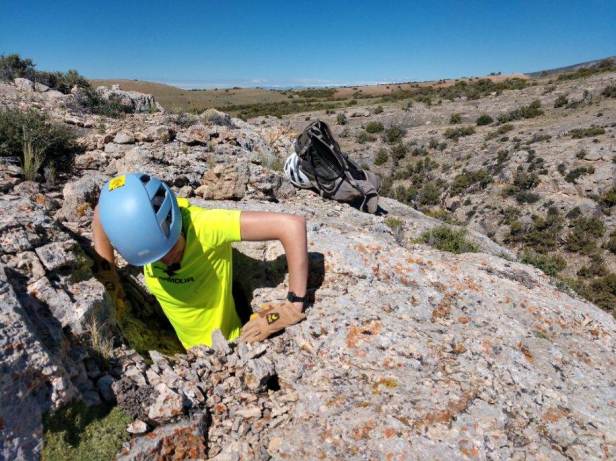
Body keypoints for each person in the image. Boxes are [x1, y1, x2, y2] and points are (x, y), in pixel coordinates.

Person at [91, 172, 309, 349]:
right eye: (156, 258)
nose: (165, 261)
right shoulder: (144, 224)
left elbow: (291, 225)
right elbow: (102, 213)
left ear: (174, 224)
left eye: (169, 250)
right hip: (184, 348)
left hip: (229, 345)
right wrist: (110, 278)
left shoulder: (206, 227)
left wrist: (293, 304)